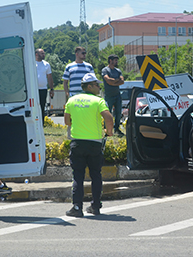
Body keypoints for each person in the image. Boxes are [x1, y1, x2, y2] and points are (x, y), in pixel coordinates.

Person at [64, 73, 114, 217]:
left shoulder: (71, 100)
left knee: (78, 176)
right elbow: (109, 117)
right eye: (97, 84)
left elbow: (67, 121)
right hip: (95, 144)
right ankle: (95, 207)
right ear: (89, 86)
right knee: (96, 175)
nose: (99, 86)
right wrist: (109, 131)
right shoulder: (98, 101)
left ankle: (77, 208)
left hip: (77, 143)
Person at [102, 54, 125, 136]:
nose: (116, 62)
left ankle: (117, 129)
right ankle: (106, 130)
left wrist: (113, 82)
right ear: (110, 61)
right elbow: (108, 80)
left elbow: (122, 81)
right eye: (115, 60)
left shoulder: (118, 70)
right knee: (108, 113)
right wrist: (116, 81)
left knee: (118, 113)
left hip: (117, 95)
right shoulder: (105, 70)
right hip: (109, 96)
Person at [35, 48, 54, 118]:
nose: (44, 55)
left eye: (44, 53)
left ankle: (42, 124)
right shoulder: (32, 63)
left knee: (42, 107)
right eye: (42, 53)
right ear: (36, 54)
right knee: (34, 107)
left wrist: (52, 89)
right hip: (34, 89)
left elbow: (49, 77)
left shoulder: (46, 64)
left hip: (43, 89)